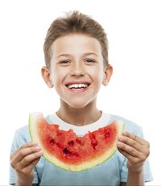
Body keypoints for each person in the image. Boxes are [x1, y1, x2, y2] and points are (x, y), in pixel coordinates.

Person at [9, 11, 153, 186]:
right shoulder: (26, 138)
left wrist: (136, 169)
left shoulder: (128, 135)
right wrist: (24, 178)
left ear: (106, 74)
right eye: (64, 62)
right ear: (48, 76)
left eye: (89, 60)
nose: (77, 71)